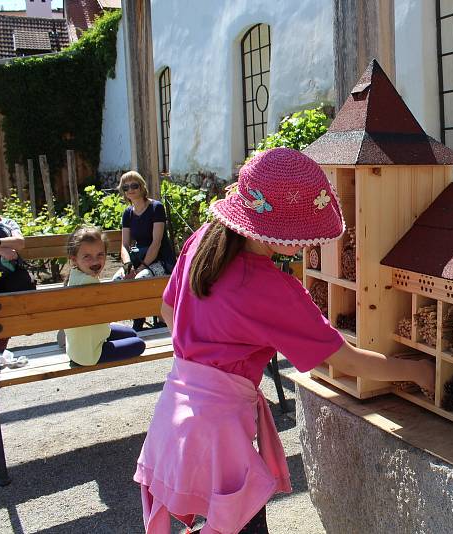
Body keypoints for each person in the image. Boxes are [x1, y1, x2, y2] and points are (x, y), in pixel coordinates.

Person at [134, 148, 435, 534]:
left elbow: (168, 312)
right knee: (238, 523)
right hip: (221, 433)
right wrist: (418, 370)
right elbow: (348, 361)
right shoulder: (270, 289)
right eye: (303, 233)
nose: (309, 243)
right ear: (279, 232)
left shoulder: (203, 241)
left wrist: (216, 348)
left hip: (176, 411)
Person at [63, 226, 146, 366]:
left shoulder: (75, 276)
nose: (95, 261)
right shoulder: (88, 283)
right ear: (74, 259)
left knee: (130, 333)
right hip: (91, 354)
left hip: (78, 348)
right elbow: (113, 309)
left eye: (100, 255)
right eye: (87, 256)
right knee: (139, 344)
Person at [114, 171, 176, 330]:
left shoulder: (156, 208)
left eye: (134, 185)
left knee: (141, 279)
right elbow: (124, 245)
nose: (130, 190)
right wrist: (127, 264)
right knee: (116, 281)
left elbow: (156, 243)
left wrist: (140, 268)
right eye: (126, 187)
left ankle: (139, 319)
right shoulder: (128, 213)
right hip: (138, 258)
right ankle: (133, 315)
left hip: (159, 259)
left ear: (142, 187)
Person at [0, 190, 34, 372]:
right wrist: (1, 250)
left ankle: (22, 326)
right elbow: (11, 246)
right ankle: (0, 345)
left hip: (11, 273)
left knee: (21, 287)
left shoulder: (8, 222)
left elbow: (19, 242)